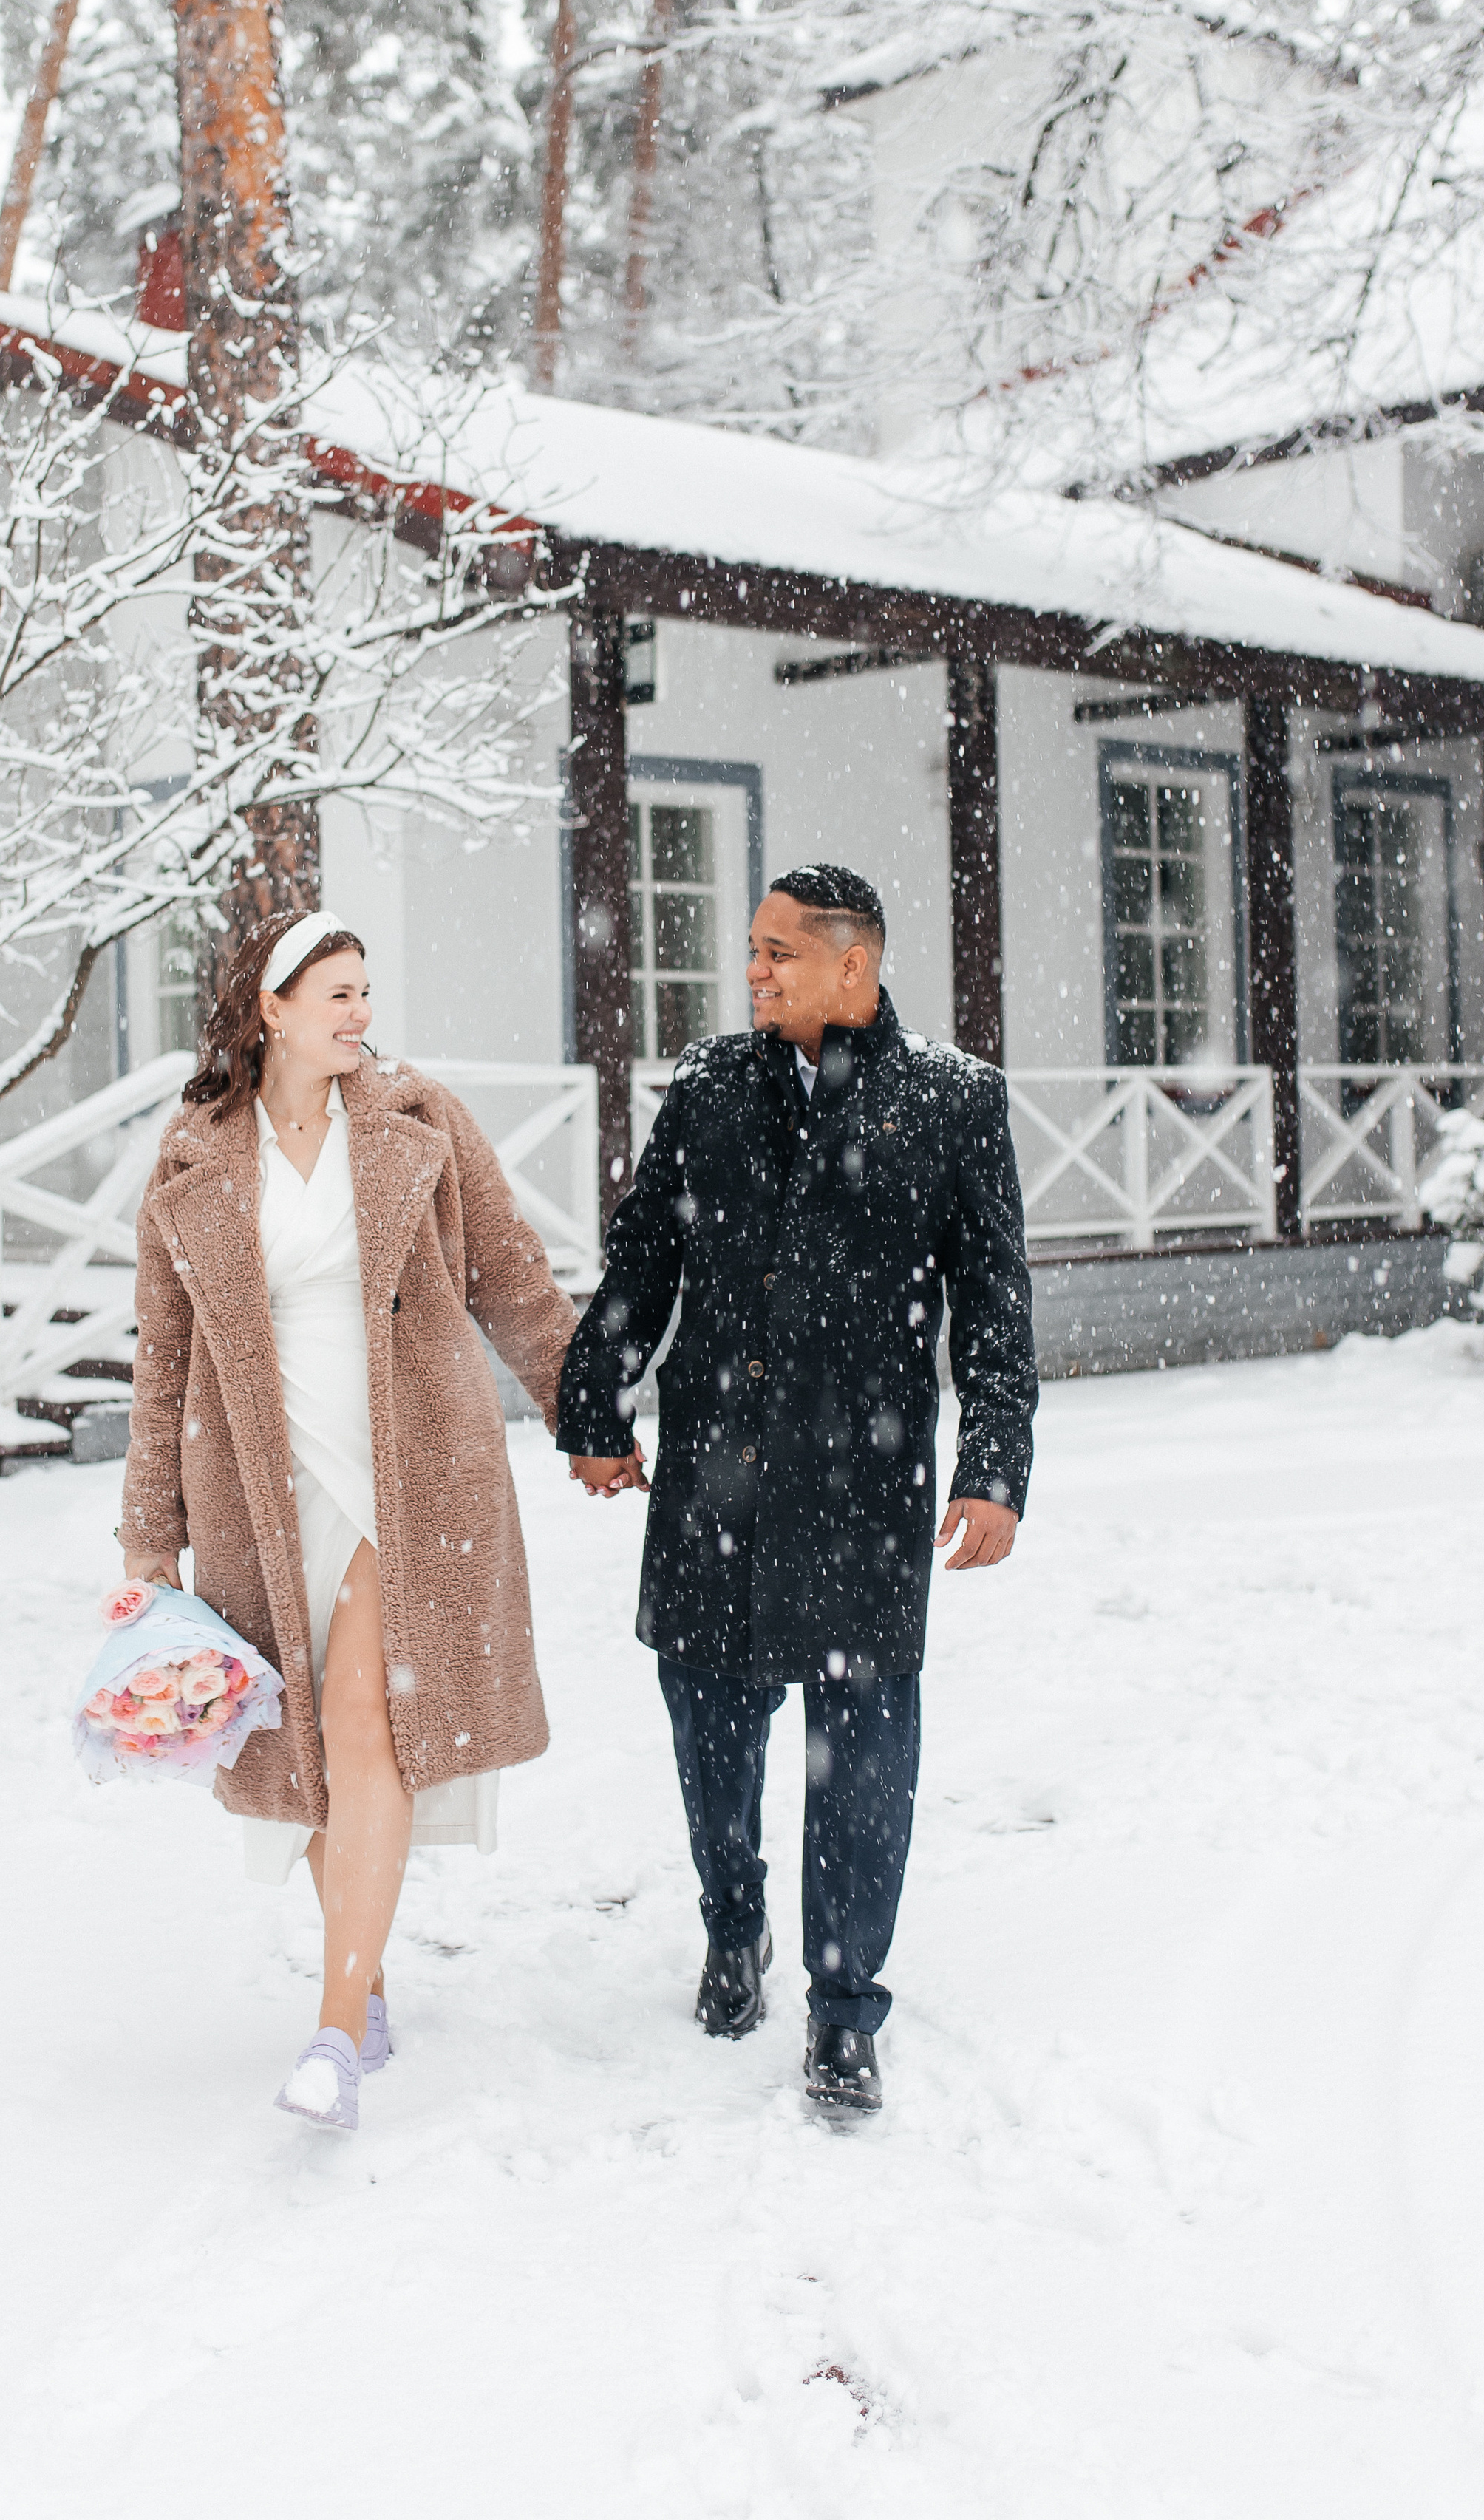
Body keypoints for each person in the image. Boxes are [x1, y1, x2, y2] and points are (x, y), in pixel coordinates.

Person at [558, 863, 1037, 2116]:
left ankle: (841, 2008)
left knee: (862, 1759)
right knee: (711, 1729)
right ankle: (734, 1925)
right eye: (753, 949)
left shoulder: (953, 1102)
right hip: (718, 1473)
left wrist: (994, 1464)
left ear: (853, 967)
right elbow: (644, 1252)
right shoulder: (711, 1086)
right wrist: (597, 1400)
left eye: (778, 951)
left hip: (863, 1486)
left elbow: (994, 1302)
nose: (754, 969)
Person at [119, 907, 576, 2133]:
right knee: (316, 1748)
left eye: (367, 990)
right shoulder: (193, 1157)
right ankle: (362, 1981)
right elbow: (163, 1363)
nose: (362, 1013)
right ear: (270, 1009)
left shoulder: (420, 1119)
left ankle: (332, 2030)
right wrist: (146, 1541)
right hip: (262, 1488)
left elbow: (512, 1277)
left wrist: (586, 1415)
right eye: (336, 994)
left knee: (367, 1718)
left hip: (408, 1466)